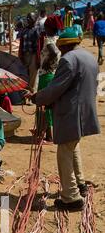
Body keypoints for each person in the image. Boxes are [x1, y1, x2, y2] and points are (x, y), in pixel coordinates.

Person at [31, 28, 100, 211]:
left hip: (71, 113)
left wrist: (36, 98)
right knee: (73, 147)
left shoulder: (68, 60)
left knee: (64, 153)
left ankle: (71, 198)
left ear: (63, 46)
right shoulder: (89, 57)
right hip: (84, 112)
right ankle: (80, 183)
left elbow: (56, 89)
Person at [37, 15, 63, 143]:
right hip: (53, 74)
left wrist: (47, 60)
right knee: (51, 105)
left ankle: (49, 135)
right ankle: (51, 133)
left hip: (46, 75)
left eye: (46, 27)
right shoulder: (58, 39)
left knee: (44, 104)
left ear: (49, 27)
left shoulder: (48, 40)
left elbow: (53, 52)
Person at [19, 13, 41, 92]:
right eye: (27, 18)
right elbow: (21, 44)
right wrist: (20, 55)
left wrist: (38, 58)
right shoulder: (24, 30)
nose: (28, 19)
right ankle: (25, 92)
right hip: (25, 54)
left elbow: (38, 45)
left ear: (35, 19)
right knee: (25, 74)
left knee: (33, 74)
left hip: (33, 55)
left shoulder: (37, 29)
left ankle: (31, 93)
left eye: (30, 18)